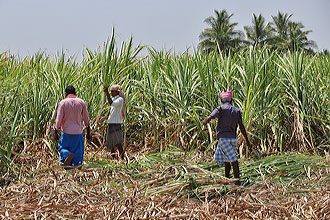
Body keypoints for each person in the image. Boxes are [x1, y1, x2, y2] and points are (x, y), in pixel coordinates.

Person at [203, 91, 253, 185]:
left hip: (223, 139)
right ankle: (226, 179)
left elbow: (210, 117)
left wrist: (205, 121)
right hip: (233, 139)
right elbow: (241, 127)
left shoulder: (220, 109)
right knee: (227, 160)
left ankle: (237, 182)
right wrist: (247, 141)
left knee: (233, 160)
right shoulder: (237, 111)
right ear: (232, 100)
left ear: (222, 100)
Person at [55, 86, 91, 167]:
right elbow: (86, 119)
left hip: (67, 131)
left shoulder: (63, 103)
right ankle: (76, 167)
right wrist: (88, 132)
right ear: (75, 93)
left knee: (62, 147)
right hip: (78, 131)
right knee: (78, 151)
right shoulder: (81, 102)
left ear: (66, 93)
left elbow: (59, 118)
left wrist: (56, 130)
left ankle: (67, 154)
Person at [103, 84, 126, 160]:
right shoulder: (115, 99)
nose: (111, 93)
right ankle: (113, 158)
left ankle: (122, 158)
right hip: (111, 123)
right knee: (111, 143)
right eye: (111, 92)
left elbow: (111, 104)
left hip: (116, 123)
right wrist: (105, 118)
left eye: (113, 92)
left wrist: (107, 94)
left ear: (117, 92)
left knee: (118, 142)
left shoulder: (120, 99)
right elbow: (113, 112)